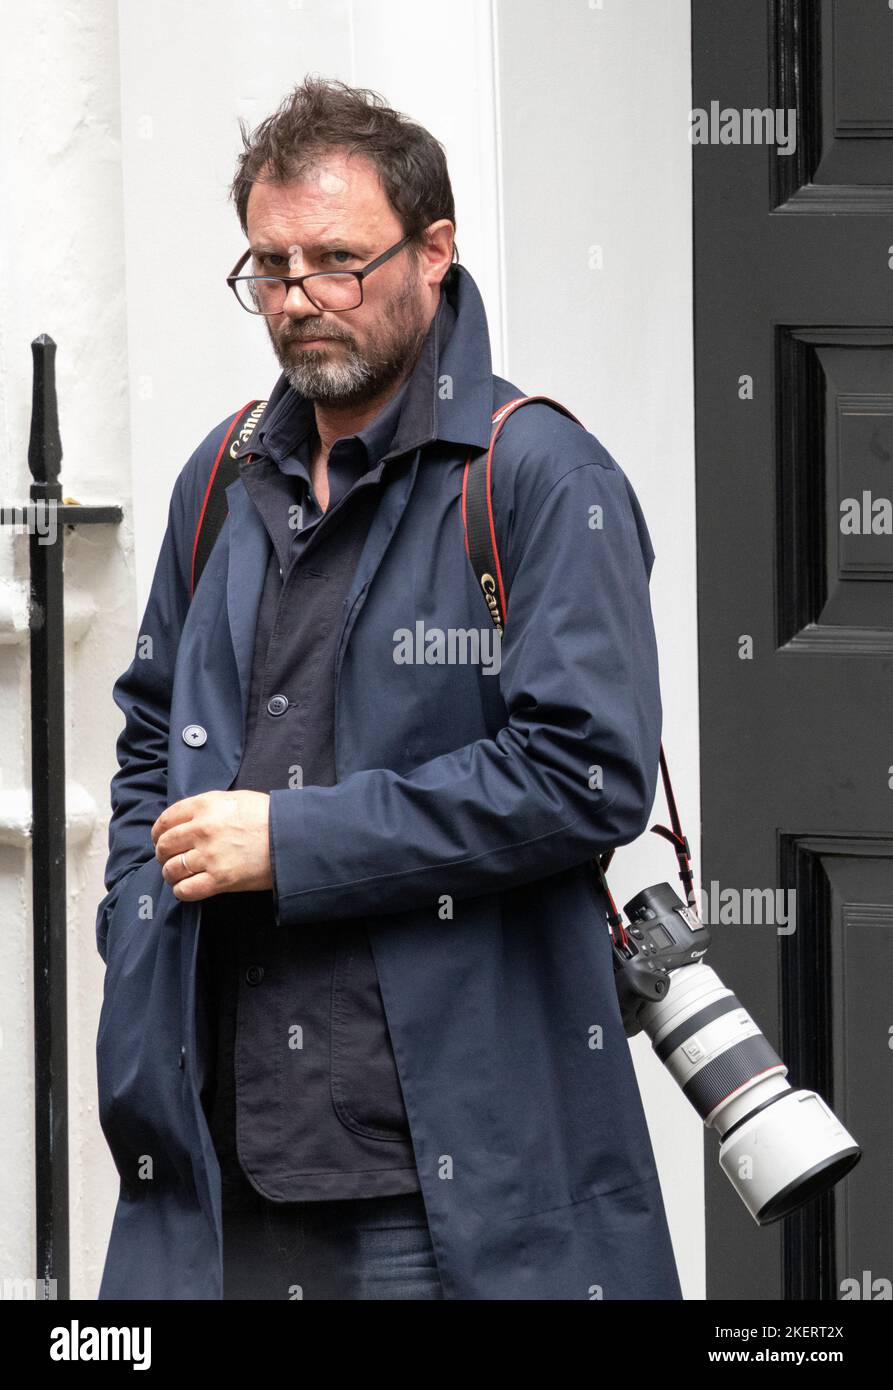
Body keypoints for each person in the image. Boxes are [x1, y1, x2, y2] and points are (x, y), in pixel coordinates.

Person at [95, 75, 683, 1301]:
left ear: (434, 250)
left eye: (338, 261)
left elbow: (583, 772)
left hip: (441, 1182)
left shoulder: (533, 474)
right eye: (271, 265)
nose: (301, 297)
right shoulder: (224, 471)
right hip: (218, 1161)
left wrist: (292, 839)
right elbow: (150, 725)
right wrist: (136, 920)